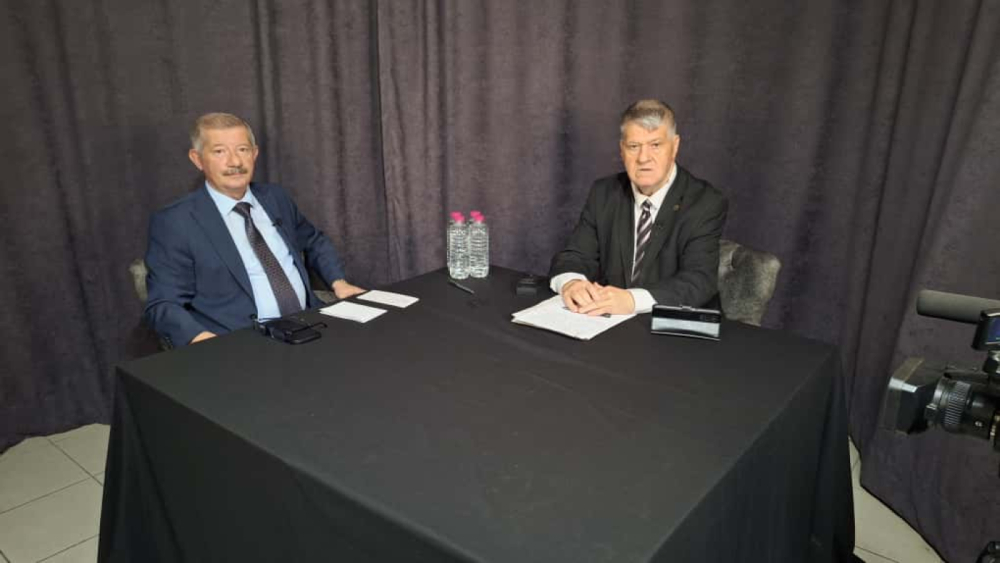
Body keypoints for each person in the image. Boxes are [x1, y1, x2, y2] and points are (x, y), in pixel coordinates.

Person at [144, 112, 364, 347]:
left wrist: (338, 282)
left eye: (242, 150)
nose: (235, 162)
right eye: (219, 152)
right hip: (240, 344)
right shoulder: (176, 222)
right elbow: (163, 303)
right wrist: (203, 340)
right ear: (197, 159)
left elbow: (314, 241)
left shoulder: (275, 198)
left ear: (254, 154)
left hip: (310, 326)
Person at [549, 99, 728, 316]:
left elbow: (698, 281)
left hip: (670, 324)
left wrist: (632, 300)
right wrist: (571, 282)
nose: (643, 158)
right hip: (608, 323)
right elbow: (575, 255)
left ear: (675, 146)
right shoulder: (604, 193)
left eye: (655, 145)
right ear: (621, 150)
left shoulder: (705, 202)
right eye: (634, 146)